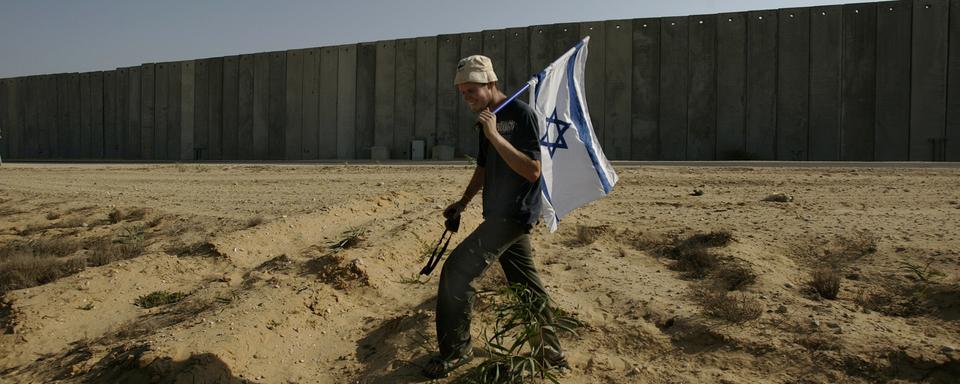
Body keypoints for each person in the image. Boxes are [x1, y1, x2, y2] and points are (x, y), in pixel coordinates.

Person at [422, 55, 567, 379]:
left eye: (471, 90)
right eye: (462, 93)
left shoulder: (522, 115)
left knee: (457, 272)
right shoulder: (488, 118)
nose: (467, 98)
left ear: (491, 84)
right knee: (528, 286)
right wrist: (463, 202)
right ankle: (552, 352)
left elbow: (532, 171)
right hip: (498, 213)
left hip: (514, 215)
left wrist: (496, 135)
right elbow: (484, 168)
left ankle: (456, 352)